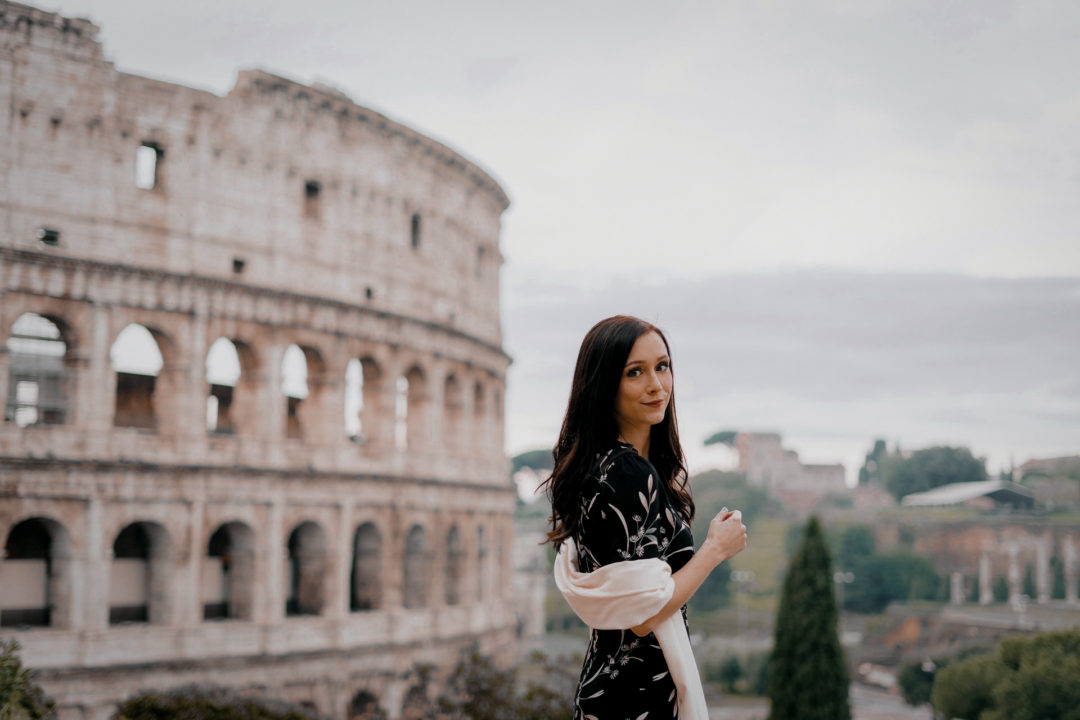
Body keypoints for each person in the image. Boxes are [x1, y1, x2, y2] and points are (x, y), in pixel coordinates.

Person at [544, 315, 747, 720]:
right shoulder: (625, 473)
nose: (657, 384)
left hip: (615, 690)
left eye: (662, 366)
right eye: (635, 372)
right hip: (633, 701)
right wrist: (714, 550)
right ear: (604, 384)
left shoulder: (605, 467)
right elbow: (643, 614)